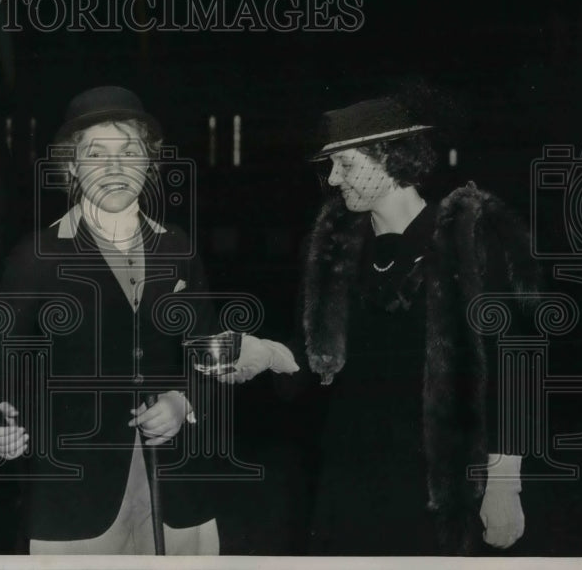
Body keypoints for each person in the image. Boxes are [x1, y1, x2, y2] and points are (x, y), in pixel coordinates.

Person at [209, 95, 536, 555]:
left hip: (438, 483)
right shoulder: (337, 249)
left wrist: (506, 480)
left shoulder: (466, 238)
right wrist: (267, 353)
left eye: (344, 163)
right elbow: (317, 354)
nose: (333, 178)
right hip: (349, 474)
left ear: (389, 157)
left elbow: (515, 360)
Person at [0, 86, 221, 555]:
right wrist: (1, 417)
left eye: (129, 152)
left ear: (148, 164)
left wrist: (183, 402)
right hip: (74, 493)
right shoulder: (35, 255)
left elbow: (208, 350)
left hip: (177, 487)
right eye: (95, 154)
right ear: (71, 167)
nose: (114, 168)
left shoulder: (177, 247)